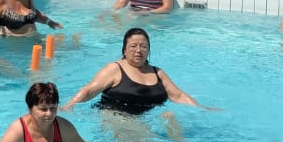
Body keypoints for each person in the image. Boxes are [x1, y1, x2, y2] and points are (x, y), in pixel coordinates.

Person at [64, 27, 199, 112]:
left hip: (149, 118)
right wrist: (68, 106)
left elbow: (178, 95)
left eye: (143, 46)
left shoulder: (157, 72)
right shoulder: (114, 69)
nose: (139, 50)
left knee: (169, 118)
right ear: (124, 49)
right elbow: (88, 91)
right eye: (133, 46)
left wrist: (202, 110)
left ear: (149, 50)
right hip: (115, 116)